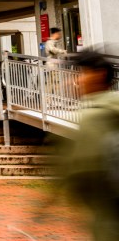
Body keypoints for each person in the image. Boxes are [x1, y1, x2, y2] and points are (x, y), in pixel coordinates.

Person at [61, 51, 119, 240]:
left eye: (82, 73)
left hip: (109, 221)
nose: (77, 80)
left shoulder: (92, 118)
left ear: (99, 74)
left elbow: (81, 175)